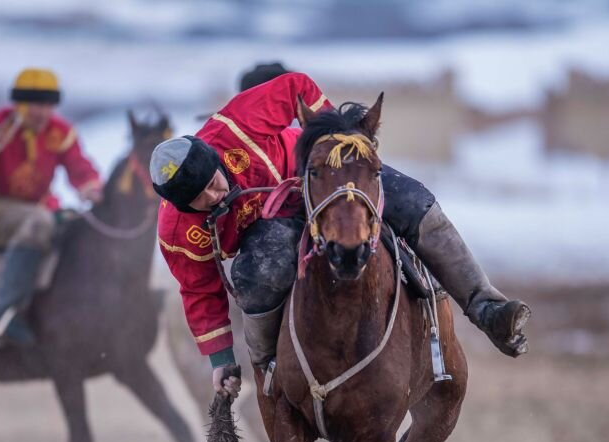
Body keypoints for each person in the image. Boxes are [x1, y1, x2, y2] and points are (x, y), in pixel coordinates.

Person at [150, 72, 530, 399]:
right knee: (258, 272)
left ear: (216, 159)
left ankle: (487, 309)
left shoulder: (232, 127)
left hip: (317, 179)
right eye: (200, 200)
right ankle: (268, 371)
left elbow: (293, 87)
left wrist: (335, 141)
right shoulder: (178, 233)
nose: (214, 197)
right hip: (271, 230)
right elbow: (199, 291)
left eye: (214, 185)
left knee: (415, 204)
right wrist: (221, 360)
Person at [0, 68, 103, 347]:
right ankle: (6, 315)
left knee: (75, 225)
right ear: (19, 104)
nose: (42, 112)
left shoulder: (61, 133)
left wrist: (91, 186)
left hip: (38, 209)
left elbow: (81, 169)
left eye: (47, 105)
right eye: (35, 104)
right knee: (41, 222)